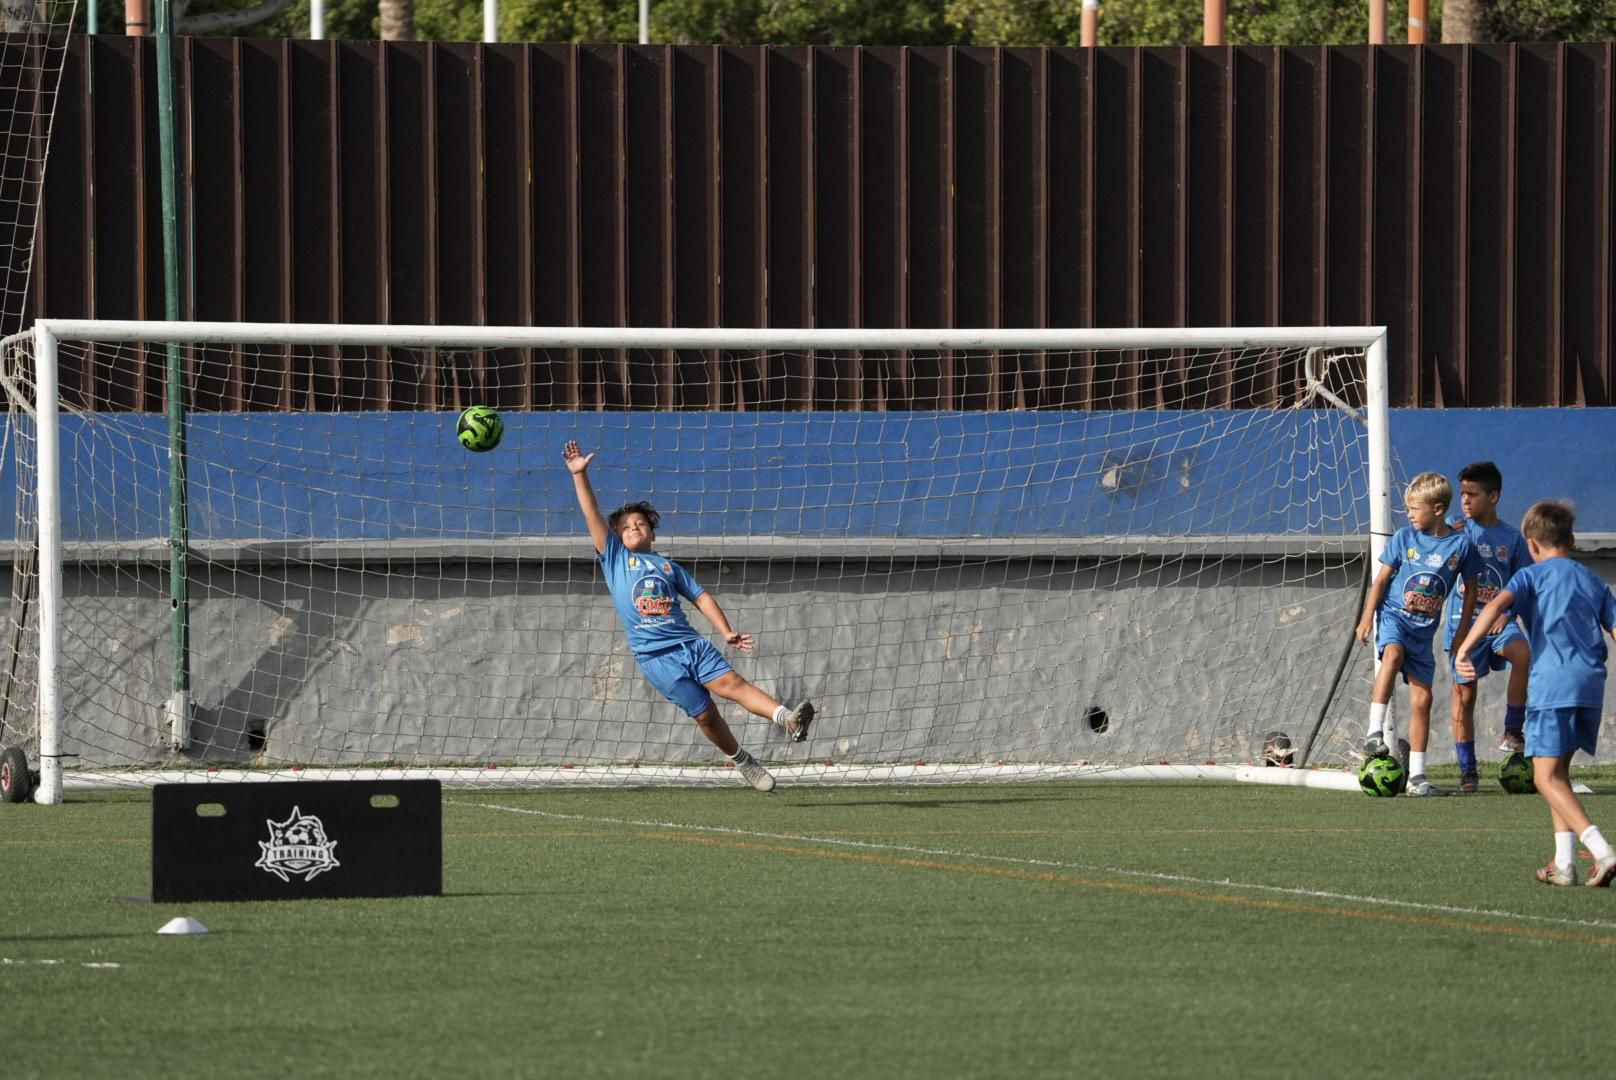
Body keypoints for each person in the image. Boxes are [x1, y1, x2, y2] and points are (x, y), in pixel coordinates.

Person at [562, 440, 813, 792]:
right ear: (616, 536)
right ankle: (744, 761)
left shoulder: (667, 566)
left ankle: (786, 719)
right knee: (707, 715)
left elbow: (701, 597)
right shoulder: (616, 559)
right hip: (656, 658)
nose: (635, 528)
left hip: (692, 645)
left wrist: (725, 632)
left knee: (734, 686)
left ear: (652, 531)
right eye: (626, 526)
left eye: (641, 523)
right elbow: (591, 514)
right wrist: (579, 475)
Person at [1455, 500, 1616, 886]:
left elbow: (1494, 605)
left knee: (1544, 778)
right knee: (1558, 772)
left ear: (1531, 544)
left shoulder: (1531, 576)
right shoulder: (1593, 580)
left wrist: (1464, 647)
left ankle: (1602, 850)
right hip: (1591, 684)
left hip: (1552, 685)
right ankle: (1564, 865)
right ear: (1572, 539)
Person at [1355, 472, 1482, 796]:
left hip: (1424, 633)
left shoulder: (1461, 546)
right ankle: (1374, 733)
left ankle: (1418, 778)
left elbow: (1471, 589)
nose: (1409, 514)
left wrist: (1463, 631)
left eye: (1415, 508)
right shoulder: (1403, 539)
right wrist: (1367, 617)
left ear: (1437, 509)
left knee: (1423, 700)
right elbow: (1381, 580)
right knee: (1393, 655)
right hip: (1395, 618)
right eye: (1408, 508)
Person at [1443, 461, 1533, 793]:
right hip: (1463, 627)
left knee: (1522, 653)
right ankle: (1468, 771)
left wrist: (1506, 614)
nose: (1465, 501)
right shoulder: (1455, 531)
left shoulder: (1512, 538)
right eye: (1462, 494)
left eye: (1472, 494)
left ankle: (1512, 730)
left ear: (1493, 496)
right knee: (1464, 697)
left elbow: (1524, 584)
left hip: (1499, 622)